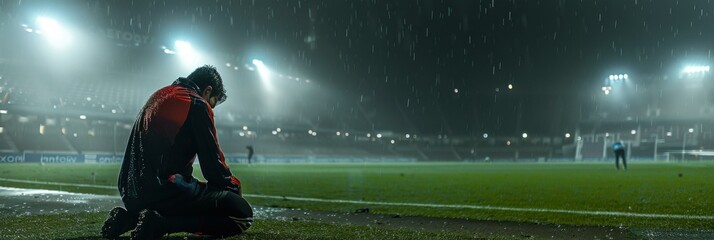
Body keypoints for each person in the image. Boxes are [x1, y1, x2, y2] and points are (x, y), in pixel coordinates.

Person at [101, 65, 253, 239]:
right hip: (161, 191)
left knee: (192, 190)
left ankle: (131, 219)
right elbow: (213, 167)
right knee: (241, 213)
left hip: (130, 194)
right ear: (207, 90)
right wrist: (232, 188)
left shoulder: (158, 95)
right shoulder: (196, 103)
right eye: (212, 102)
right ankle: (160, 225)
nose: (211, 109)